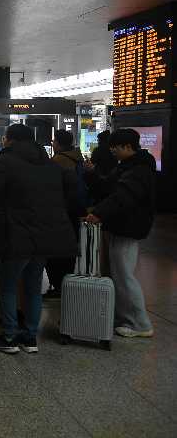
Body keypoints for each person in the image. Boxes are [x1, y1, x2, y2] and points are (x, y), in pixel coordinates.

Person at [0, 124, 77, 354]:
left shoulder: (6, 162)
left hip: (16, 234)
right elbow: (69, 194)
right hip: (45, 236)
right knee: (32, 287)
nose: (3, 141)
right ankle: (29, 338)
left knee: (7, 286)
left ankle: (9, 337)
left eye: (6, 137)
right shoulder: (50, 164)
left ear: (11, 140)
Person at [85, 128, 155, 338]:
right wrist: (92, 174)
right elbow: (108, 187)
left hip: (129, 227)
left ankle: (140, 323)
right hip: (120, 226)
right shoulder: (126, 166)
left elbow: (122, 197)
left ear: (127, 147)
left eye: (115, 147)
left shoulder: (139, 170)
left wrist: (98, 213)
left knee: (124, 275)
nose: (112, 151)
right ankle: (126, 317)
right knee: (119, 273)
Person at [44, 129, 86, 298]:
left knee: (55, 251)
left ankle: (59, 286)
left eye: (54, 141)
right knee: (69, 249)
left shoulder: (59, 161)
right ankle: (65, 284)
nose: (53, 144)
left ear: (59, 143)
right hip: (76, 210)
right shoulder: (78, 158)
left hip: (60, 211)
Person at [86, 130, 118, 203]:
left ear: (101, 140)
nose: (97, 141)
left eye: (98, 140)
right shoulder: (113, 150)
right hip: (112, 179)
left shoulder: (98, 150)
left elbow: (92, 162)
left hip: (99, 178)